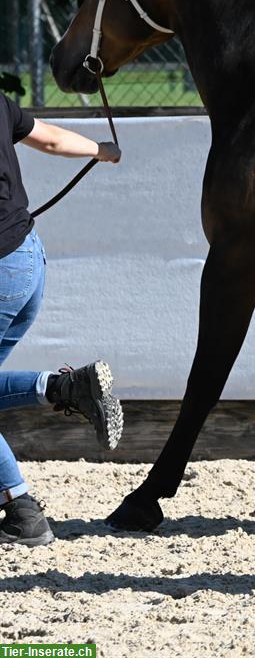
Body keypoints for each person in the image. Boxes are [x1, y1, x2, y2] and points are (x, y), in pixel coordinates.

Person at [0, 93, 123, 546]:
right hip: (27, 262)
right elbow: (49, 139)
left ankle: (21, 510)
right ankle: (63, 388)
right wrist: (99, 149)